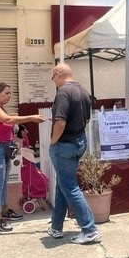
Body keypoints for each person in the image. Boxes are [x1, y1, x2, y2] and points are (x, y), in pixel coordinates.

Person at [47, 63, 101, 244]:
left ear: (58, 74)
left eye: (53, 77)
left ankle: (89, 228)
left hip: (64, 144)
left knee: (69, 186)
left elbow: (60, 122)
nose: (53, 81)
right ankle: (56, 227)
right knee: (63, 184)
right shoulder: (84, 91)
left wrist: (53, 141)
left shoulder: (63, 92)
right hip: (78, 142)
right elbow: (86, 120)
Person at [0, 83, 45, 232]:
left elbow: (9, 120)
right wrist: (31, 117)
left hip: (4, 148)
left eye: (10, 93)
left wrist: (18, 127)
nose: (9, 96)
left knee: (4, 182)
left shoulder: (1, 108)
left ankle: (5, 211)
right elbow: (8, 120)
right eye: (6, 93)